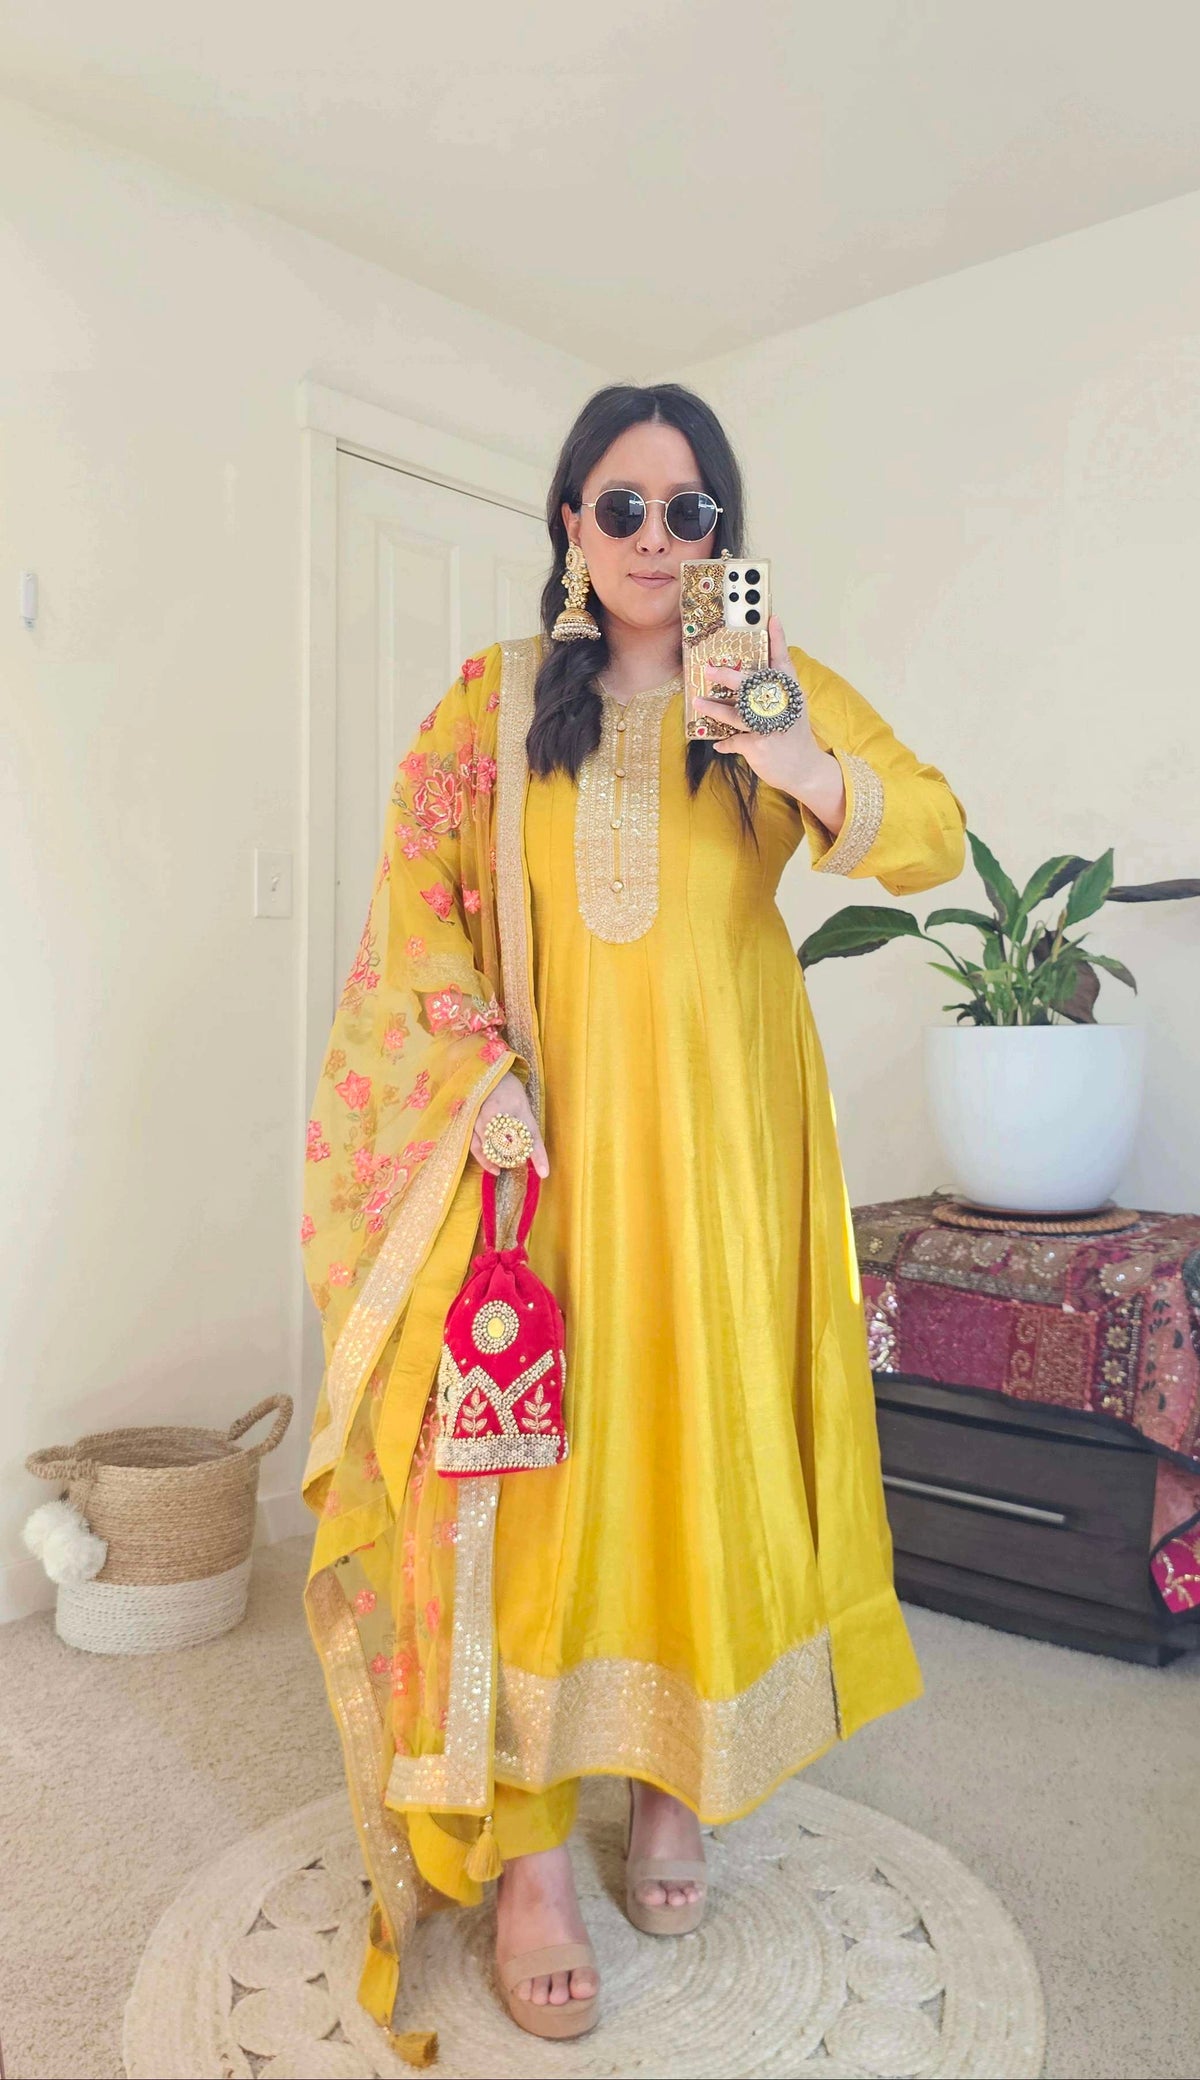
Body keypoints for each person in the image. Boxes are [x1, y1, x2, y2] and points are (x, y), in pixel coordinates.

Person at [300, 381, 967, 2053]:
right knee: (532, 1479)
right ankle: (532, 1855)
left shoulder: (776, 682)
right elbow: (415, 919)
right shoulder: (490, 707)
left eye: (691, 512)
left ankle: (682, 1779)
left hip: (732, 1150)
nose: (658, 539)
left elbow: (935, 837)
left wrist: (794, 758)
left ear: (723, 536)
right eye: (625, 506)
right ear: (569, 525)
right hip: (542, 1156)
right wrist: (473, 1077)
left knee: (701, 1440)